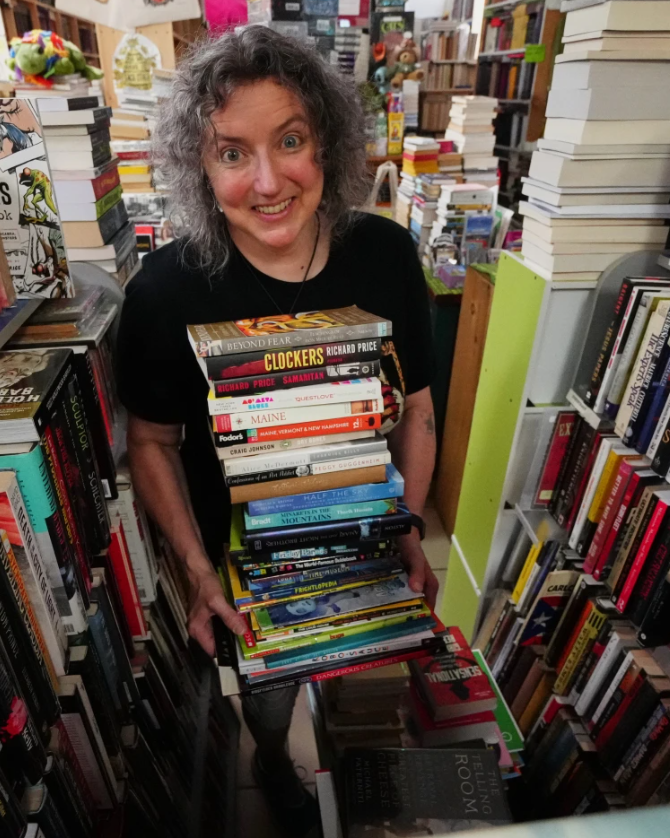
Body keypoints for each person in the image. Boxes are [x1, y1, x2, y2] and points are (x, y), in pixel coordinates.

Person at [115, 26, 439, 833]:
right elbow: (151, 443)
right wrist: (196, 572)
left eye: (289, 141)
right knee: (270, 698)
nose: (267, 182)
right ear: (200, 163)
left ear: (325, 142)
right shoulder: (165, 290)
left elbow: (419, 410)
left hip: (365, 539)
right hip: (245, 567)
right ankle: (269, 758)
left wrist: (406, 526)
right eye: (232, 153)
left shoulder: (387, 254)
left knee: (367, 705)